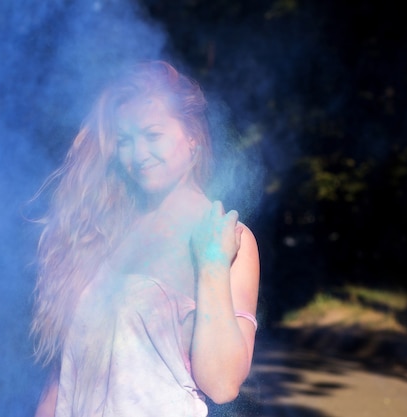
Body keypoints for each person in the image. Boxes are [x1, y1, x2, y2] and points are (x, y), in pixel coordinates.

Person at [30, 61, 260, 417]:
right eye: (125, 141)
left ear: (192, 137)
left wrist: (212, 265)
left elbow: (223, 384)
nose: (137, 155)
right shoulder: (106, 230)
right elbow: (63, 376)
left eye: (152, 136)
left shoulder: (228, 237)